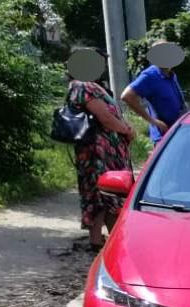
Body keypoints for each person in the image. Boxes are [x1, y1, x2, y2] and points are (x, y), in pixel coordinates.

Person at [65, 49, 134, 250]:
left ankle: (109, 241)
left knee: (108, 195)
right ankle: (99, 242)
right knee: (101, 194)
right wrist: (127, 130)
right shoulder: (84, 86)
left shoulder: (93, 86)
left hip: (106, 151)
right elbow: (105, 118)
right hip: (97, 152)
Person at [122, 41, 186, 142]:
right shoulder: (150, 76)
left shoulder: (171, 74)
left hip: (178, 133)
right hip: (163, 138)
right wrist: (153, 121)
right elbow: (127, 96)